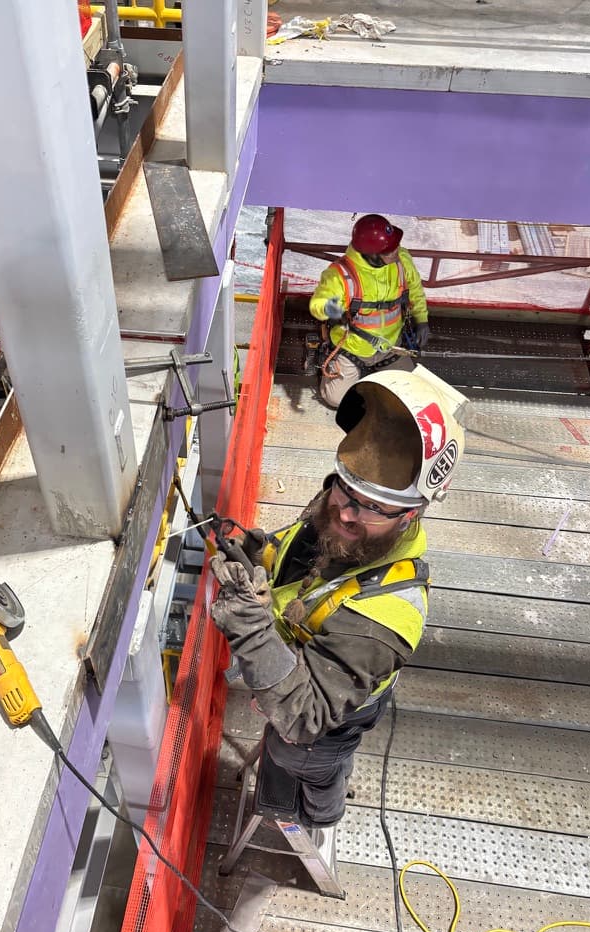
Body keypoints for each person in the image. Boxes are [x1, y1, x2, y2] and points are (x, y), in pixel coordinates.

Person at [210, 366, 466, 833]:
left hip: (328, 722)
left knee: (306, 760)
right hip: (307, 665)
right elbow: (298, 550)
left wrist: (249, 624)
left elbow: (303, 718)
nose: (346, 512)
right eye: (344, 489)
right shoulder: (343, 509)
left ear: (410, 515)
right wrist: (256, 552)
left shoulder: (383, 618)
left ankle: (323, 814)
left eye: (371, 507)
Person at [309, 214, 430, 409]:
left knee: (408, 392)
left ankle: (376, 376)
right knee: (335, 399)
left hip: (391, 346)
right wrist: (332, 310)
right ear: (371, 253)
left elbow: (415, 290)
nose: (397, 251)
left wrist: (422, 320)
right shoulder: (340, 274)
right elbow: (317, 304)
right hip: (352, 347)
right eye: (390, 249)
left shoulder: (402, 260)